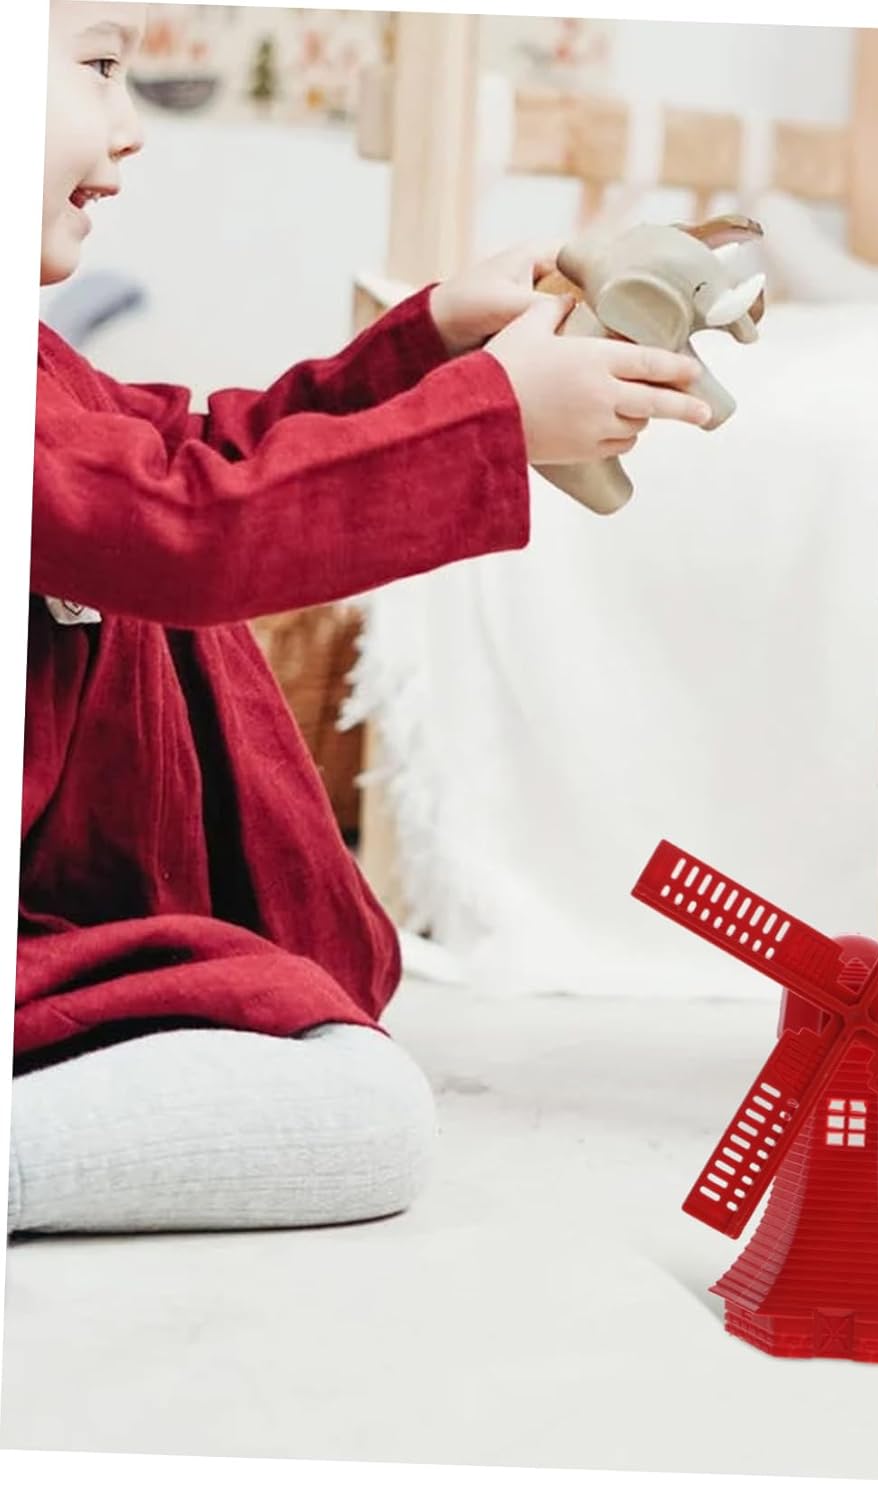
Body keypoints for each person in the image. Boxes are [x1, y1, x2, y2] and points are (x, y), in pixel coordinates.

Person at [10, 2, 713, 1237]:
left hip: (57, 916)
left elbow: (205, 446)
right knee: (362, 1113)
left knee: (321, 1057)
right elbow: (191, 527)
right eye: (101, 67)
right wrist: (491, 417)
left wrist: (430, 349)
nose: (130, 127)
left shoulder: (38, 367)